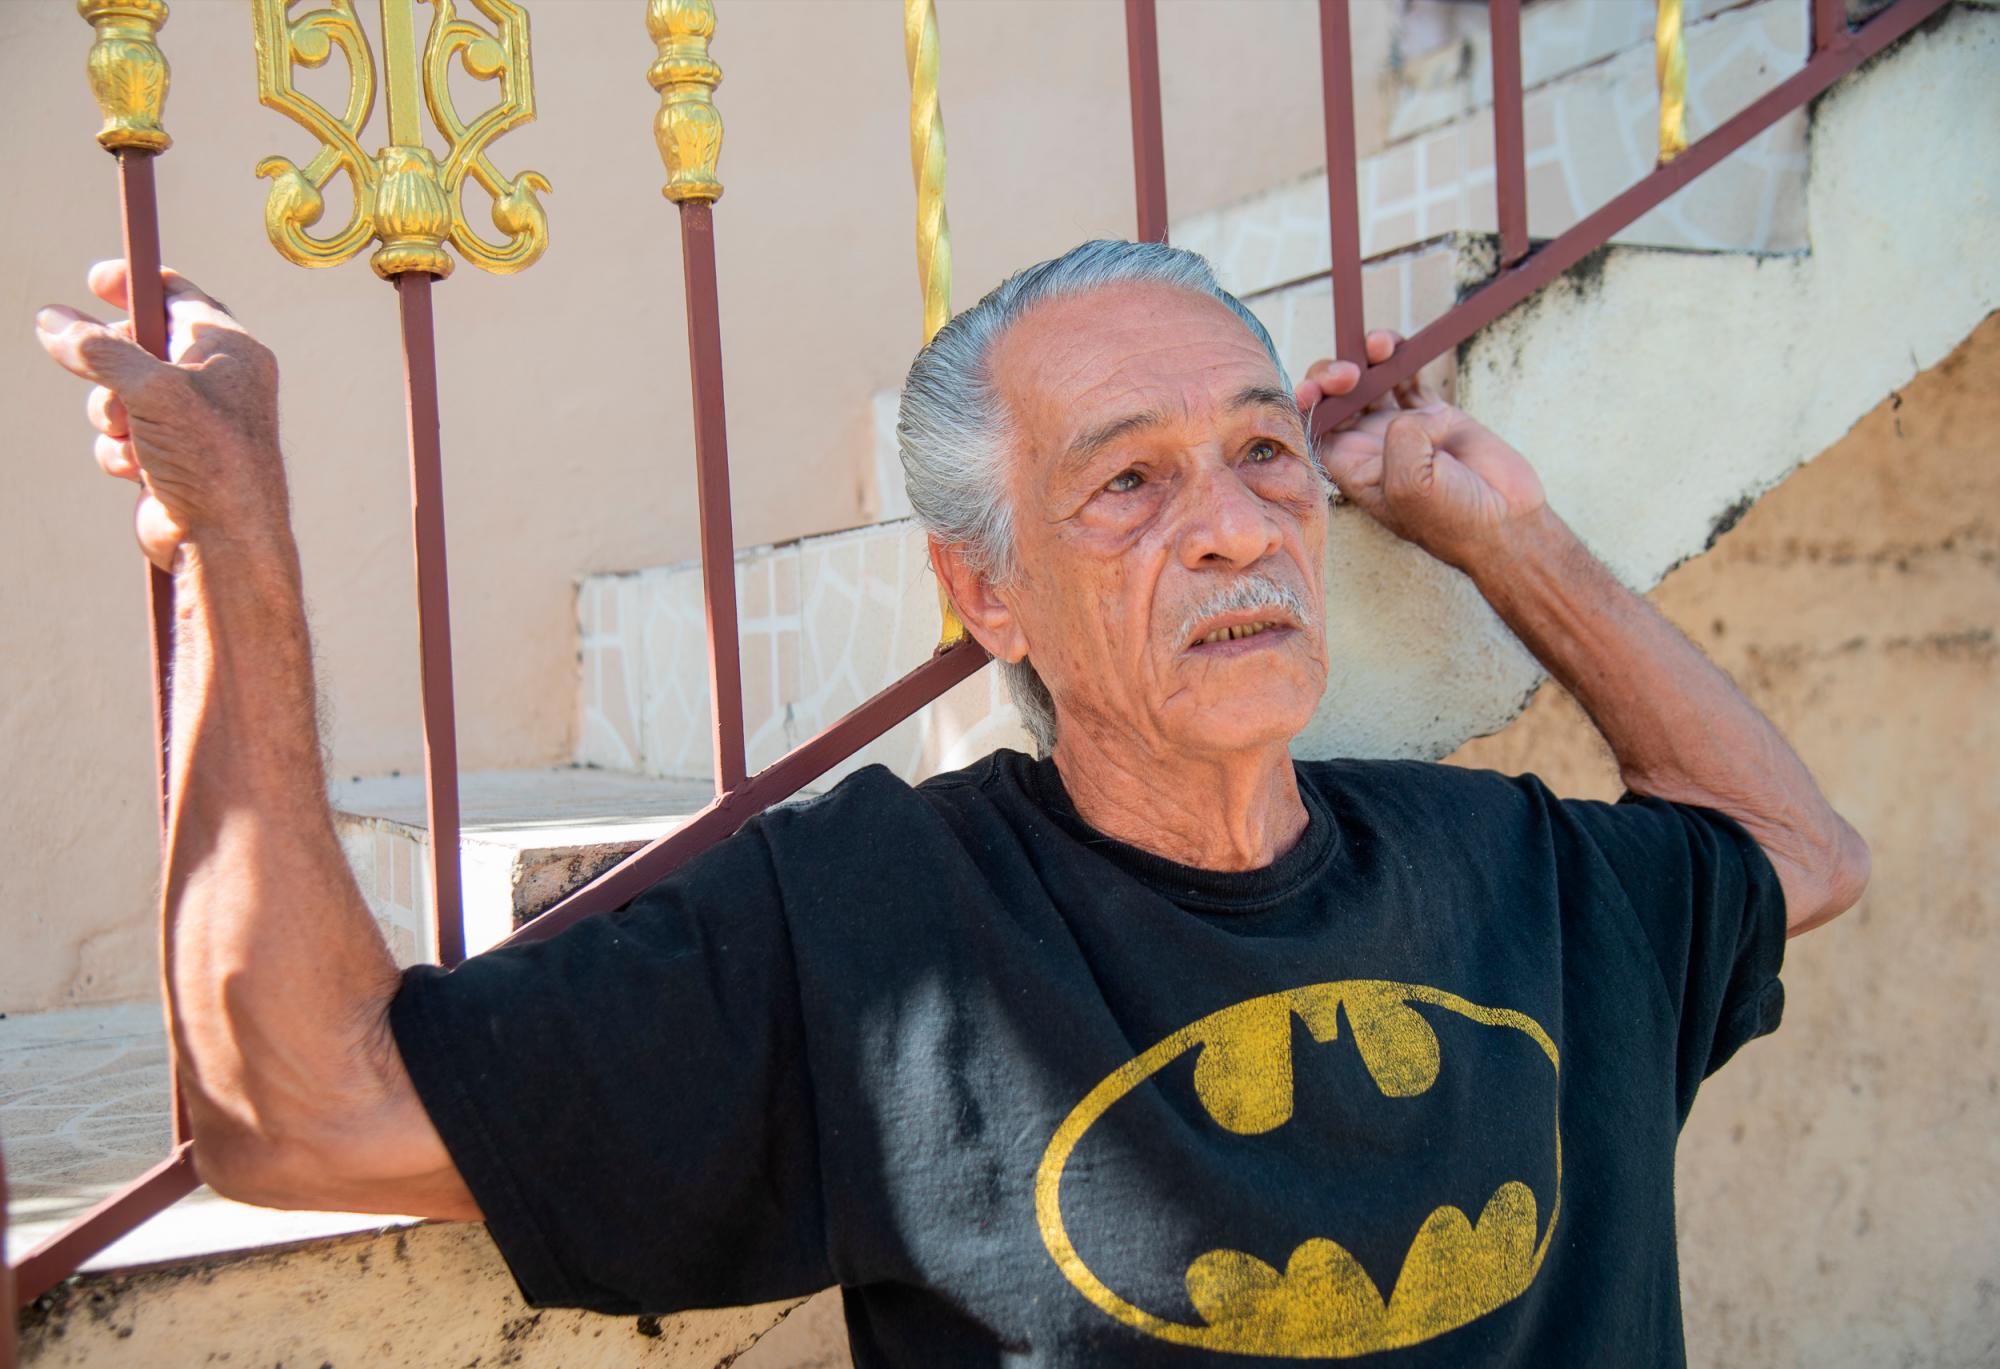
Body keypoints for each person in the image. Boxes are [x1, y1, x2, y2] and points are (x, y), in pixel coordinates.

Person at [33, 240, 1867, 1366]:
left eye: (1262, 451)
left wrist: (1511, 538)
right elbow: (304, 1108)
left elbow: (1801, 850)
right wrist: (236, 540)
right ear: (989, 596)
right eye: (1128, 484)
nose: (1233, 525)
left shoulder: (1509, 861)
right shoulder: (884, 931)